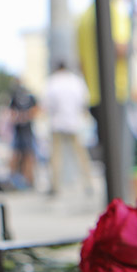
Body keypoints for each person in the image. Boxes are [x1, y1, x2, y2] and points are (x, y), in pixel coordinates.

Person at [76, 0, 137, 198]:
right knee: (136, 154)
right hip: (119, 93)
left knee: (113, 155)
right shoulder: (113, 10)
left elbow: (81, 64)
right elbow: (118, 47)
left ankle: (120, 204)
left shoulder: (83, 18)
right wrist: (136, 47)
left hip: (96, 96)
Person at [43, 61, 95, 196]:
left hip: (57, 122)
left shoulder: (52, 81)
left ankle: (55, 186)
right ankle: (88, 183)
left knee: (56, 157)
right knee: (81, 156)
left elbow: (47, 104)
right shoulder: (76, 81)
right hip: (74, 122)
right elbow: (84, 101)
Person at [8, 79, 39, 189]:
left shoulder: (28, 97)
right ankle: (14, 181)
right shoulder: (16, 96)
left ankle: (28, 180)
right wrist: (21, 117)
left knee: (28, 156)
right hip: (19, 131)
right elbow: (11, 113)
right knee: (17, 156)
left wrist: (24, 117)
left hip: (26, 131)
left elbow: (36, 110)